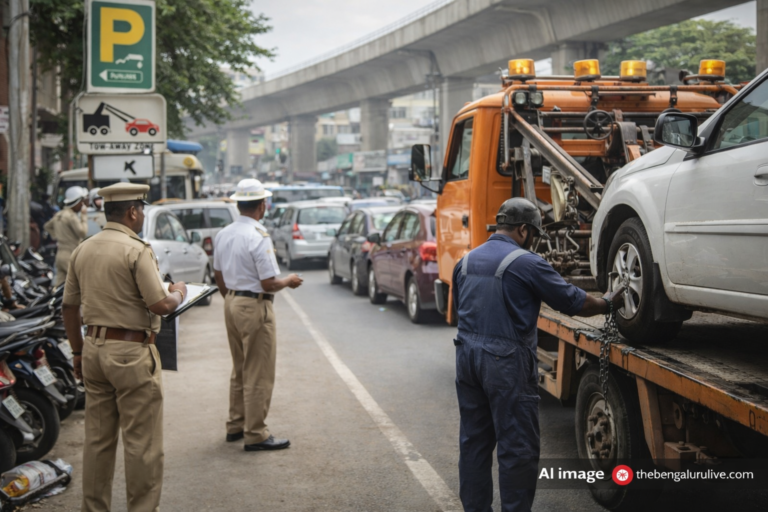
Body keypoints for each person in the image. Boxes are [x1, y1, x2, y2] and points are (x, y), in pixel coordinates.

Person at [452, 197, 625, 512]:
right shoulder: (526, 262)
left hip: (466, 357)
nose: (534, 242)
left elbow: (460, 310)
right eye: (535, 235)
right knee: (517, 448)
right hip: (503, 363)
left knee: (474, 442)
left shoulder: (464, 261)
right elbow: (573, 301)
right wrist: (607, 302)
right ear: (523, 230)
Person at [61, 183, 188, 512]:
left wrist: (76, 352)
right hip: (131, 355)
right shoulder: (136, 249)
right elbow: (160, 304)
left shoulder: (83, 249)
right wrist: (180, 292)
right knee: (141, 443)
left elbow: (69, 308)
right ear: (132, 212)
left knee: (98, 441)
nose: (143, 215)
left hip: (93, 351)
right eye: (142, 209)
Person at [213, 178, 303, 451]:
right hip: (254, 305)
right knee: (258, 371)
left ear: (239, 204)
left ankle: (236, 425)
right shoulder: (258, 235)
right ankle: (256, 433)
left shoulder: (224, 233)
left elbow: (218, 275)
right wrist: (289, 280)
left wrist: (232, 298)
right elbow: (269, 283)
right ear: (262, 206)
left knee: (240, 367)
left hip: (231, 302)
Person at [44, 186, 89, 286]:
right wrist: (84, 216)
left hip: (60, 254)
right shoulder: (71, 216)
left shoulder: (59, 214)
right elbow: (82, 232)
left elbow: (47, 226)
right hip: (70, 254)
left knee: (60, 286)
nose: (82, 205)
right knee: (80, 282)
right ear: (76, 202)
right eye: (81, 202)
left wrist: (56, 236)